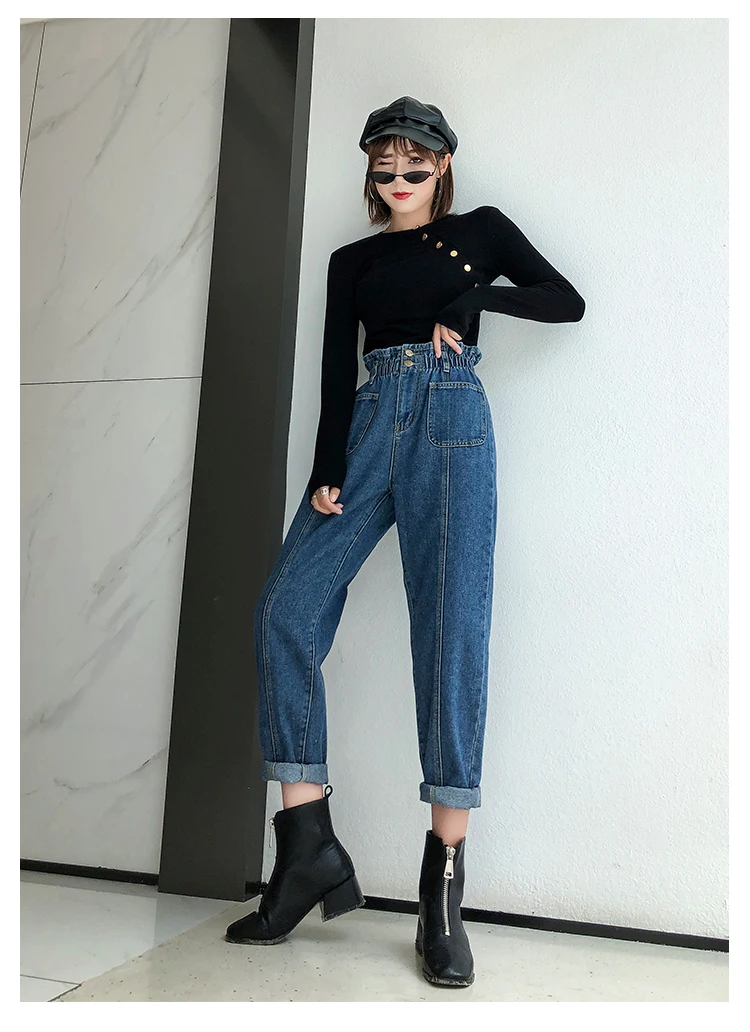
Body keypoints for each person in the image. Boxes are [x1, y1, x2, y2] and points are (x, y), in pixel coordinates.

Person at [225, 96, 585, 988]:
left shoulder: (482, 232)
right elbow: (332, 368)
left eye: (414, 167)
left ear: (442, 166)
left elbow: (566, 300)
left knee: (452, 635)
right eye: (383, 169)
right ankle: (306, 845)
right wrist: (327, 469)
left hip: (453, 423)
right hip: (368, 425)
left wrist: (476, 295)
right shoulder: (352, 260)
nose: (397, 181)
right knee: (285, 612)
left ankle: (443, 888)